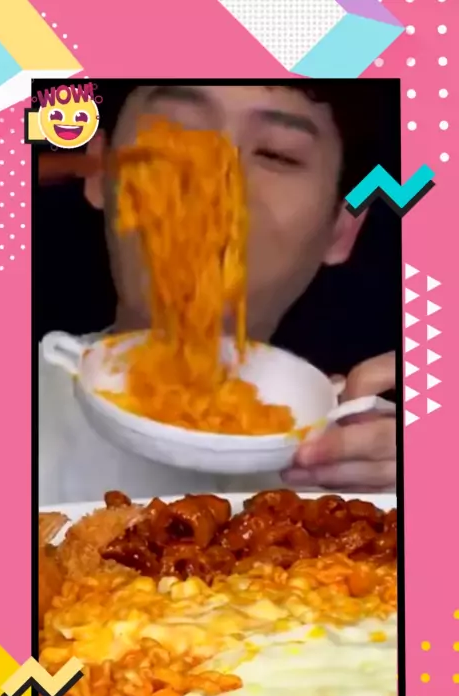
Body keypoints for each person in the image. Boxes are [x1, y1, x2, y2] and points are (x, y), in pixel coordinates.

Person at [39, 83, 397, 504]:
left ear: (341, 228)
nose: (217, 186)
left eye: (277, 154)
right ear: (100, 170)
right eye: (175, 131)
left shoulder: (390, 452)